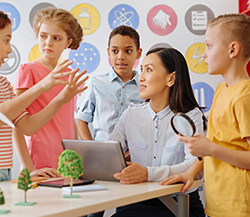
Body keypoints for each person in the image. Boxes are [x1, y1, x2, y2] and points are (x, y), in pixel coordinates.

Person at [0, 3, 87, 187]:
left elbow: (27, 126)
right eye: (6, 40)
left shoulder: (1, 82)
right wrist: (43, 86)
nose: (9, 49)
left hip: (4, 172)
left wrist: (60, 99)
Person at [160, 14, 250, 217]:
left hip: (240, 207)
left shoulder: (245, 96)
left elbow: (215, 149)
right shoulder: (221, 90)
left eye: (209, 46)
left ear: (233, 49)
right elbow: (217, 146)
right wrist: (189, 173)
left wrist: (211, 148)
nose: (203, 54)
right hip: (219, 205)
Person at [109, 48, 205, 217]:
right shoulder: (131, 114)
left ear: (171, 78)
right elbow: (107, 152)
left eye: (149, 70)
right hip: (138, 202)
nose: (141, 77)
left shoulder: (191, 116)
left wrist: (147, 174)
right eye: (141, 70)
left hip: (181, 204)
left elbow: (195, 165)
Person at [13, 7, 84, 178]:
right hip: (39, 164)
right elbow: (15, 125)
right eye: (43, 36)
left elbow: (68, 121)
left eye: (56, 38)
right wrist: (29, 168)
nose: (48, 43)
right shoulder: (28, 71)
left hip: (66, 164)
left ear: (68, 42)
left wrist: (74, 156)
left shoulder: (68, 74)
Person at [76, 25, 144, 142]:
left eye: (128, 51)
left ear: (138, 53)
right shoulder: (95, 83)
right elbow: (82, 120)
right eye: (115, 51)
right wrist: (93, 148)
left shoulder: (145, 87)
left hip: (136, 156)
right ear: (108, 52)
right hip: (101, 154)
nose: (120, 57)